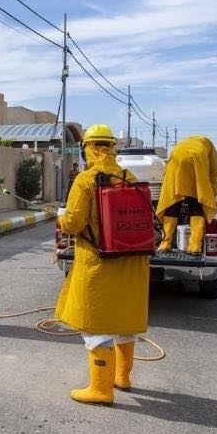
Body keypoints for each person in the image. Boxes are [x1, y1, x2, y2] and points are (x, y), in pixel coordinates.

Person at [54, 124, 150, 405]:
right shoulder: (130, 177)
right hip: (131, 261)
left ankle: (101, 389)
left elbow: (74, 223)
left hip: (99, 263)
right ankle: (122, 377)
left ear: (88, 148)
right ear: (111, 147)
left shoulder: (86, 180)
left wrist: (61, 217)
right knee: (123, 323)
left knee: (95, 327)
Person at [155, 136, 217, 254]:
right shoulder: (209, 149)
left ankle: (165, 244)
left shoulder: (182, 144)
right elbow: (213, 174)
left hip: (176, 155)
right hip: (197, 157)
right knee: (196, 206)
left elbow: (167, 170)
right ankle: (195, 246)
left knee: (172, 204)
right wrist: (212, 195)